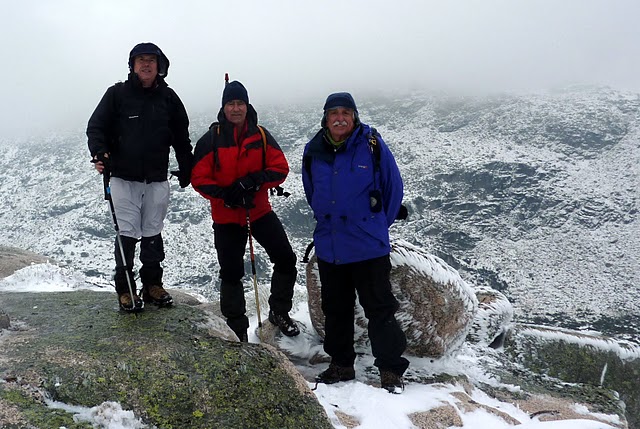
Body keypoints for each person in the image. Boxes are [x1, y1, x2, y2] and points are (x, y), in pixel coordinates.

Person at [302, 92, 409, 393]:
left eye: (345, 112)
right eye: (334, 113)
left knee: (380, 309)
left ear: (354, 117)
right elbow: (312, 193)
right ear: (325, 119)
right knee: (335, 308)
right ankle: (341, 365)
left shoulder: (371, 145)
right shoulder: (314, 150)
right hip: (331, 244)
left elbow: (393, 188)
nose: (339, 118)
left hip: (368, 245)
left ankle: (390, 370)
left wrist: (376, 225)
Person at [87, 42, 193, 312]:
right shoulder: (117, 94)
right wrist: (100, 153)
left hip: (157, 178)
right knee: (127, 232)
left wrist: (186, 166)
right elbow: (96, 126)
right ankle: (125, 289)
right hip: (123, 178)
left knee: (153, 232)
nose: (146, 64)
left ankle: (151, 285)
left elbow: (181, 137)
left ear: (160, 66)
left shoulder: (169, 99)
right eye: (140, 60)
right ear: (132, 65)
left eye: (151, 60)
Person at [191, 80, 299, 342]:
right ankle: (237, 328)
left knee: (285, 259)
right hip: (227, 217)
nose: (236, 108)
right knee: (231, 273)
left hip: (259, 210)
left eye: (240, 103)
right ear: (224, 107)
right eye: (231, 103)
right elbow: (199, 178)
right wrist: (225, 194)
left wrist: (254, 181)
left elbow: (280, 168)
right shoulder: (211, 140)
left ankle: (279, 312)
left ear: (247, 106)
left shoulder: (260, 136)